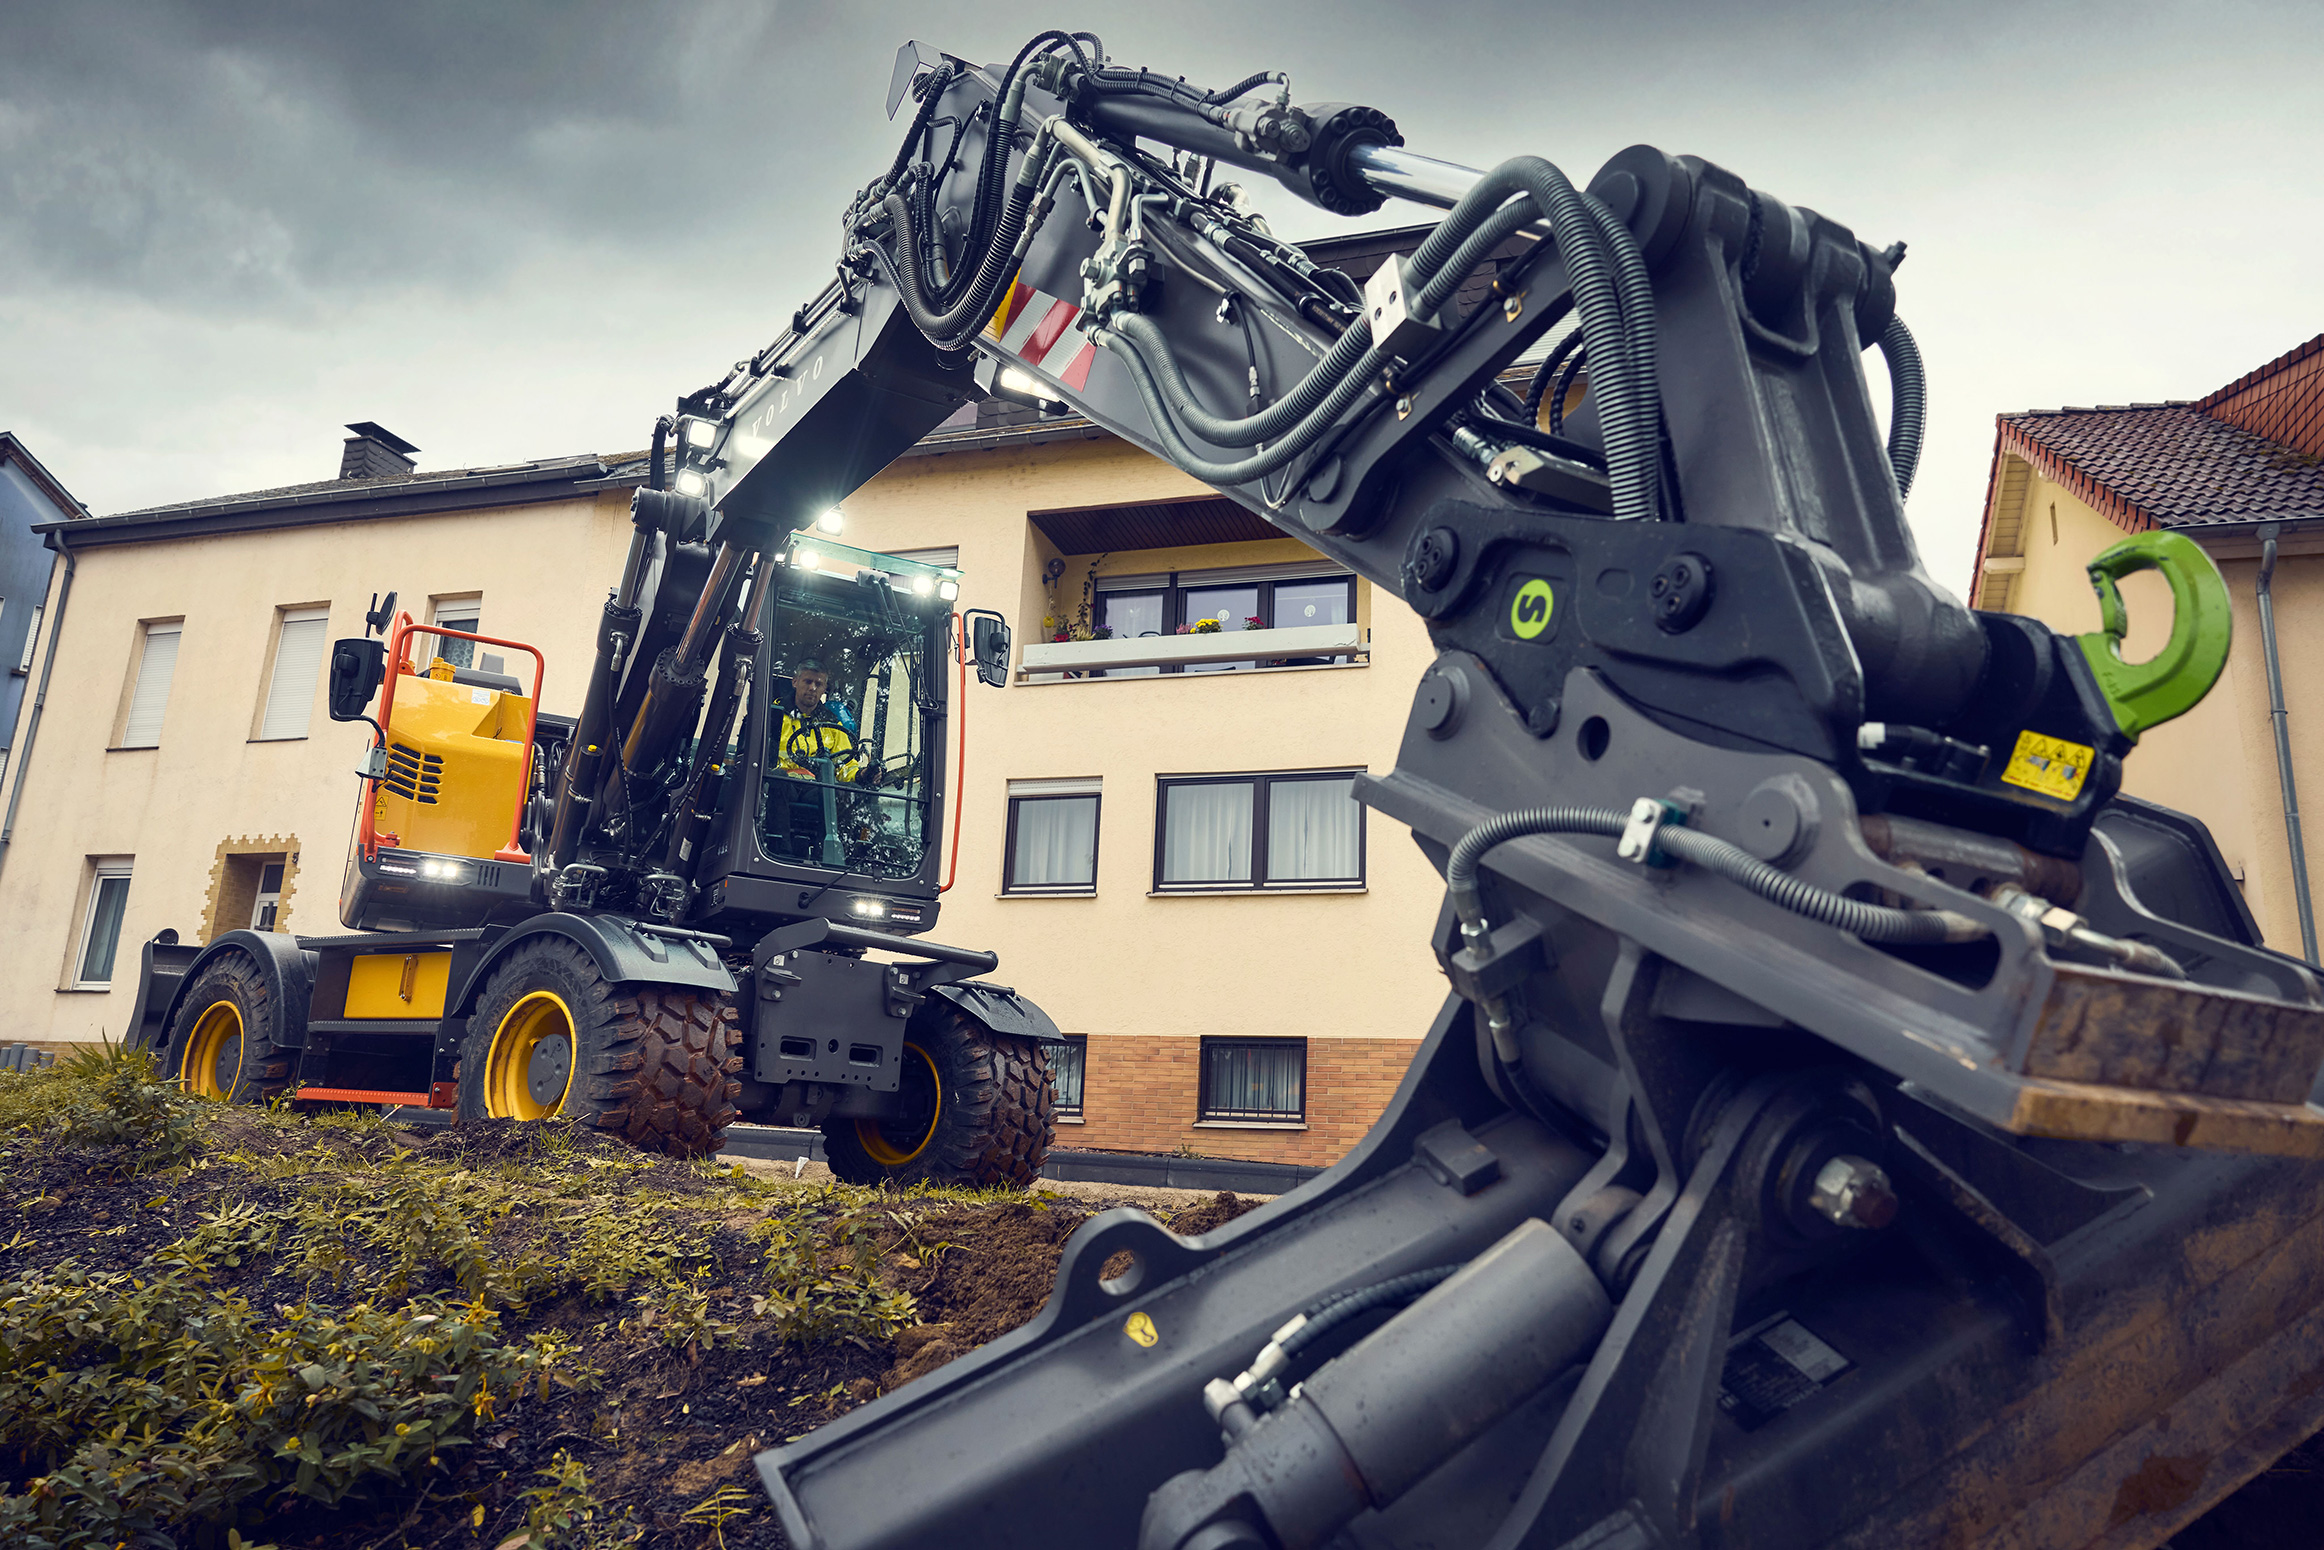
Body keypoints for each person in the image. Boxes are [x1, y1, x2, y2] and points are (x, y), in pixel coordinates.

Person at [774, 659, 873, 785]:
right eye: (808, 681)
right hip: (781, 785)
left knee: (853, 791)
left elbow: (845, 767)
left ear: (824, 689)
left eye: (818, 684)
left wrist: (862, 774)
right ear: (795, 682)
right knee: (778, 780)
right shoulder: (773, 715)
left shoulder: (832, 723)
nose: (812, 688)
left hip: (817, 789)